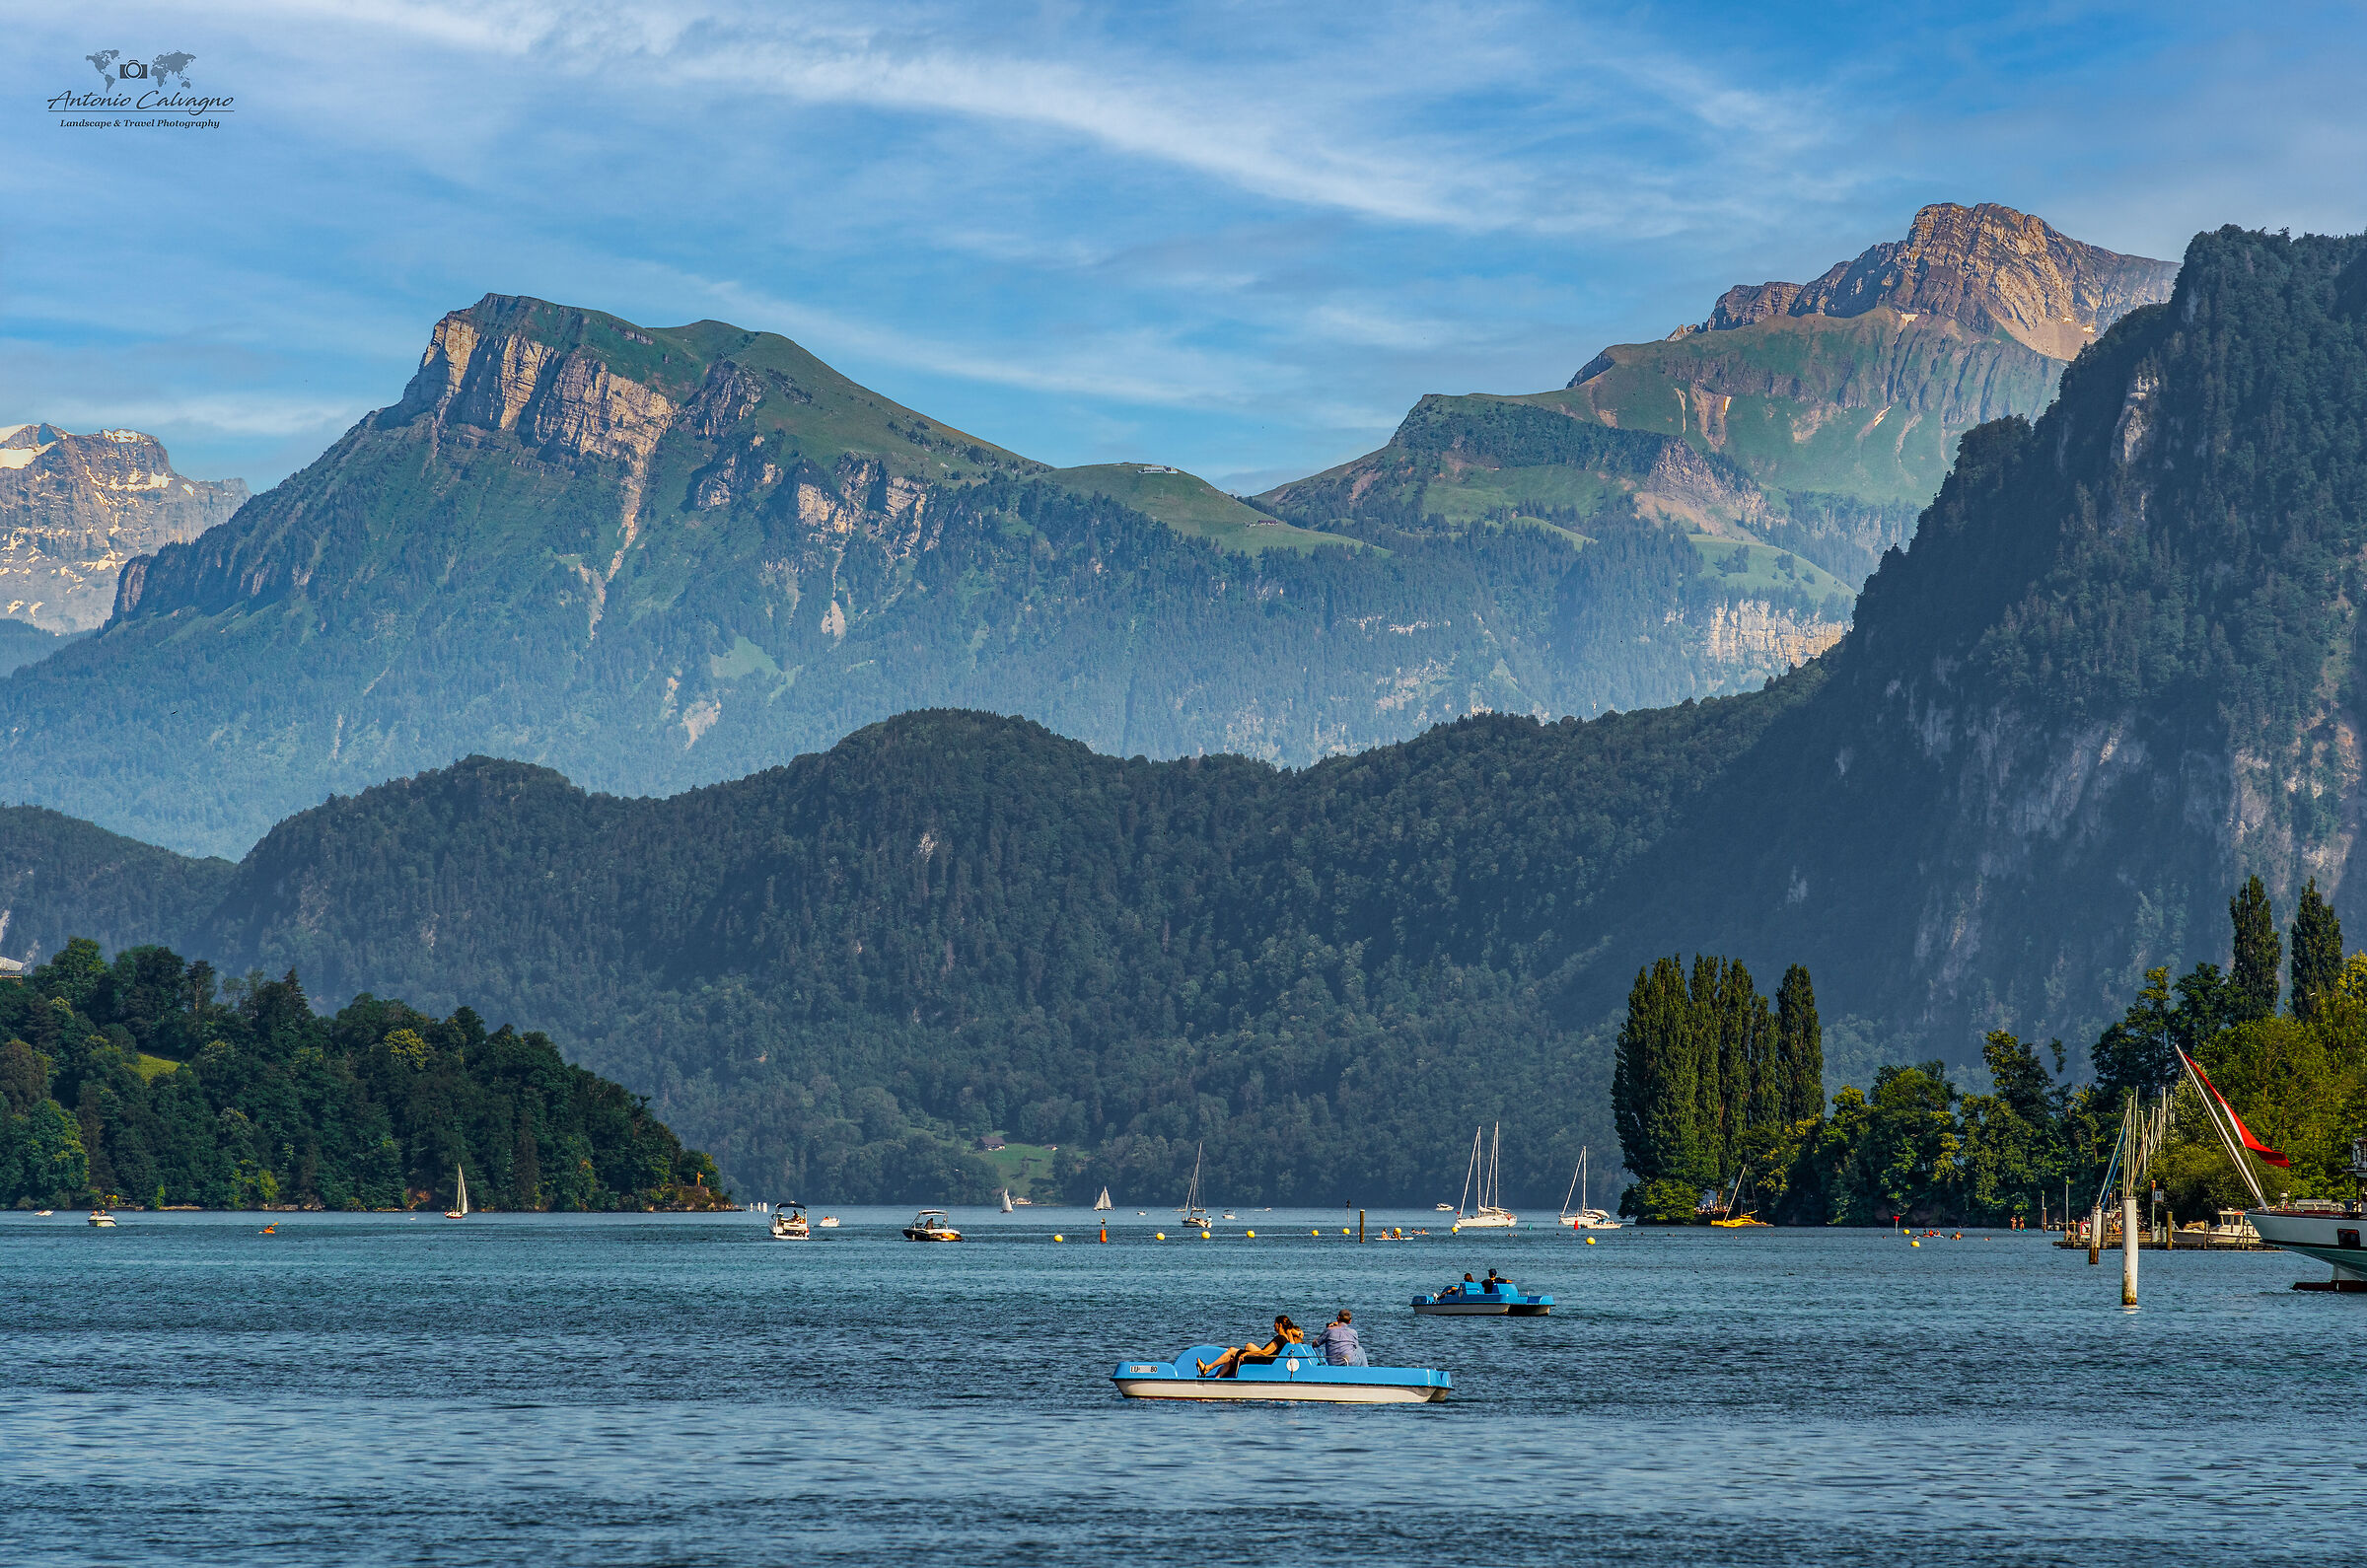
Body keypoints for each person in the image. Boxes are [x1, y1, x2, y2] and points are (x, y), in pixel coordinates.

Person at [1198, 1315, 1304, 1378]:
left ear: (1280, 1325)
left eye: (1275, 1324)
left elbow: (1265, 1353)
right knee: (1235, 1355)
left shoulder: (1280, 1339)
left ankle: (1207, 1368)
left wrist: (1247, 1353)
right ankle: (1217, 1378)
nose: (1273, 1326)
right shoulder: (1286, 1339)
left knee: (1231, 1351)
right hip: (1267, 1360)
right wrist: (1292, 1332)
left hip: (1263, 1361)